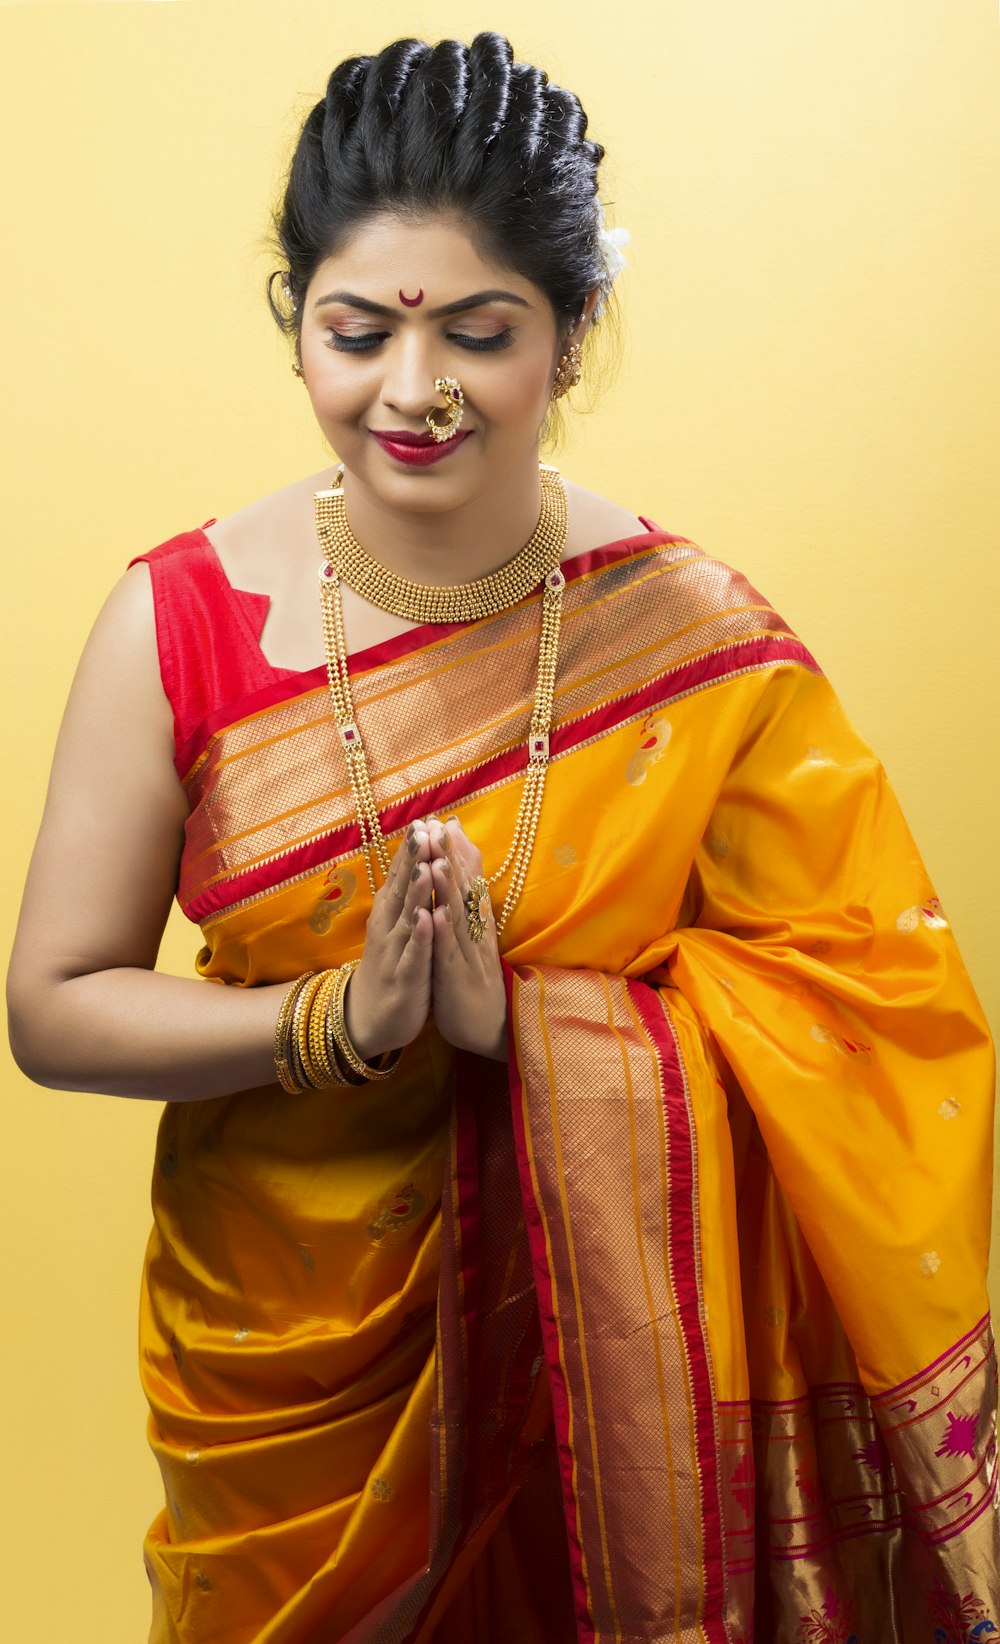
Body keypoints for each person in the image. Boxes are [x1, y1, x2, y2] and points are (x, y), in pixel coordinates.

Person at [7, 29, 998, 1644]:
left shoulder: (689, 639)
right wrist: (346, 1022)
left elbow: (874, 1026)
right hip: (284, 1354)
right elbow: (53, 1005)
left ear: (571, 331)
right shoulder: (173, 623)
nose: (413, 393)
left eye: (479, 332)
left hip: (600, 1357)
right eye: (355, 332)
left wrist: (511, 1024)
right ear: (297, 320)